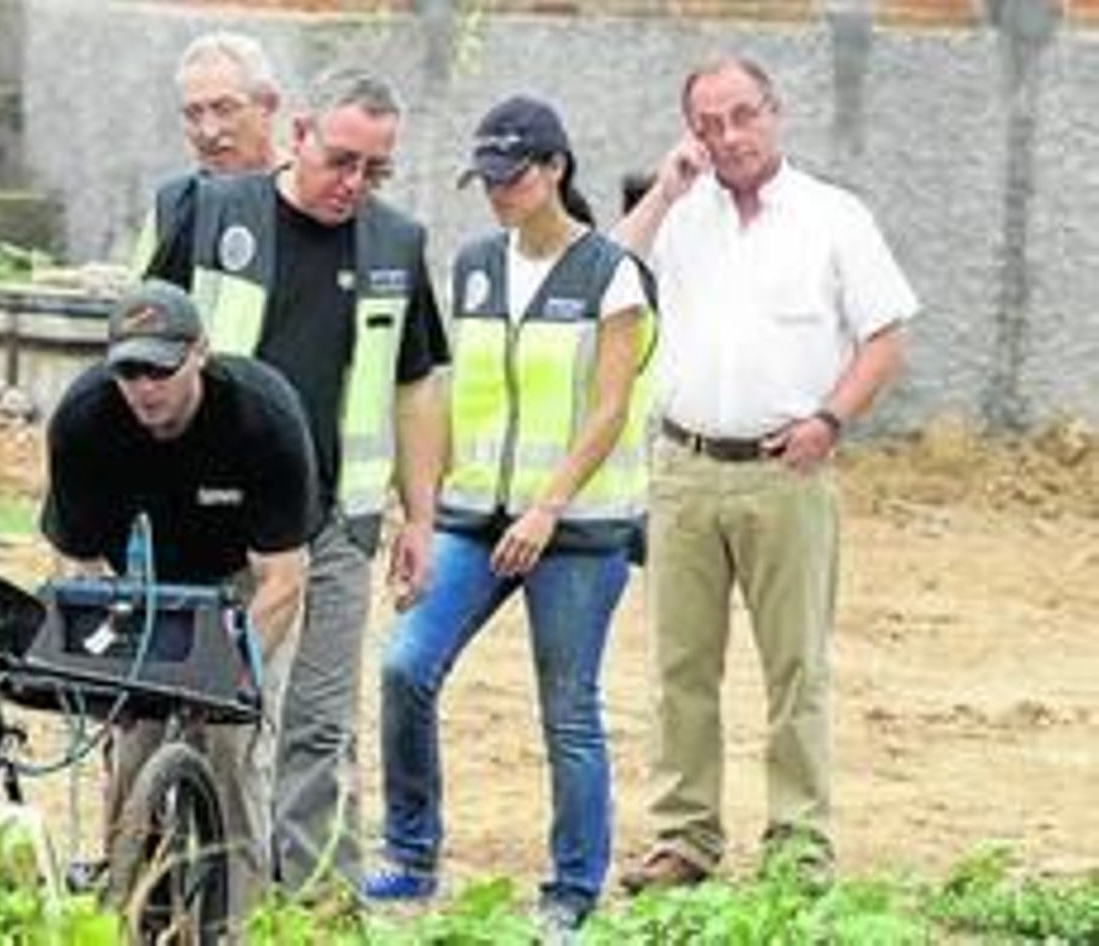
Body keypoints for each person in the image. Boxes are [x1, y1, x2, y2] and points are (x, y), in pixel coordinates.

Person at [614, 56, 918, 892]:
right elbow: (600, 276)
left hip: (786, 473)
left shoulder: (832, 216)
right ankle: (684, 838)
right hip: (684, 469)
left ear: (774, 111)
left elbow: (886, 335)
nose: (729, 137)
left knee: (795, 669)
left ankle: (799, 845)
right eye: (708, 125)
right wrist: (665, 191)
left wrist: (831, 419)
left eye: (742, 116)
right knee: (680, 668)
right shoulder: (681, 216)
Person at [145, 65, 451, 892]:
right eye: (340, 160)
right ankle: (212, 892)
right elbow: (142, 344)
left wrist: (420, 518)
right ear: (300, 133)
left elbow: (417, 384)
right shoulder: (211, 215)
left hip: (335, 523)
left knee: (320, 726)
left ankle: (317, 902)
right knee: (221, 713)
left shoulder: (396, 244)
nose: (353, 184)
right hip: (215, 518)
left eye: (373, 170)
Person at [362, 96, 655, 933]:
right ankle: (412, 855)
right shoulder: (477, 264)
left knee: (567, 708)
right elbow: (453, 391)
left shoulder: (612, 275)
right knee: (404, 668)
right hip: (472, 517)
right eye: (485, 179)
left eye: (512, 177)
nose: (496, 193)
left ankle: (570, 891)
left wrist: (547, 507)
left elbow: (608, 409)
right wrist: (419, 506)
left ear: (556, 170)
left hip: (577, 531)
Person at [40, 279, 322, 925]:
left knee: (231, 747)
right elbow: (79, 563)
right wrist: (106, 666)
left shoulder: (261, 417)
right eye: (129, 371)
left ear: (199, 353)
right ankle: (127, 913)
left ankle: (236, 921)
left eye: (160, 369)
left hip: (244, 580)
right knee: (132, 747)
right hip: (141, 580)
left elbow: (283, 580)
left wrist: (223, 671)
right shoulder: (84, 419)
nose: (144, 388)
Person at [133, 31, 284, 271]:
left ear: (268, 105)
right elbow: (142, 303)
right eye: (193, 113)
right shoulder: (173, 207)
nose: (208, 131)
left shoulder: (319, 201)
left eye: (224, 109)